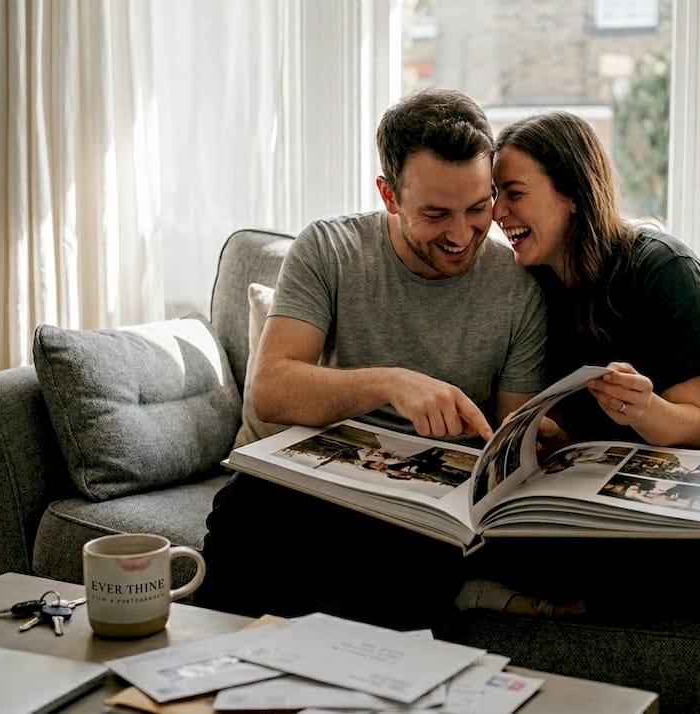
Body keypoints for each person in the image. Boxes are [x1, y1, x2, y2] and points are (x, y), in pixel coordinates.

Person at [460, 111, 700, 615]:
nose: (498, 214)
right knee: (500, 530)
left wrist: (642, 408)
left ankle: (571, 606)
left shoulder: (663, 268)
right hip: (617, 495)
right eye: (496, 197)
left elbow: (694, 427)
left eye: (514, 193)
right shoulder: (535, 289)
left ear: (573, 195)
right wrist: (552, 437)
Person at [195, 89, 548, 628]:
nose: (461, 235)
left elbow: (509, 439)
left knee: (411, 556)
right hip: (316, 485)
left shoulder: (518, 286)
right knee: (244, 509)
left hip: (427, 507)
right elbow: (270, 390)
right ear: (389, 195)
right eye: (435, 214)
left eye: (478, 208)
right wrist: (390, 382)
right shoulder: (329, 249)